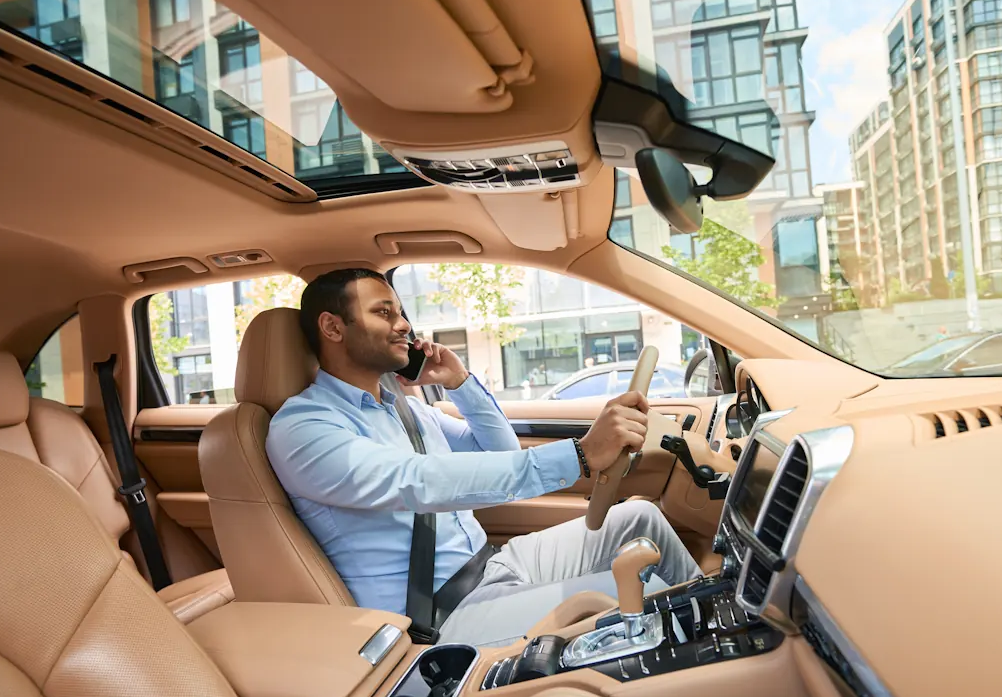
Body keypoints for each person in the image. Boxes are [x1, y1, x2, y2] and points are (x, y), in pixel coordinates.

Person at [267, 269, 700, 646]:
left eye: (401, 313)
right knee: (640, 591)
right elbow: (419, 481)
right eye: (384, 313)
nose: (404, 326)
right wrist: (582, 455)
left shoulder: (406, 407)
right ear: (333, 327)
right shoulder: (303, 429)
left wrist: (461, 383)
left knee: (640, 519)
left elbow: (500, 454)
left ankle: (722, 627)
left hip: (490, 564)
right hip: (437, 613)